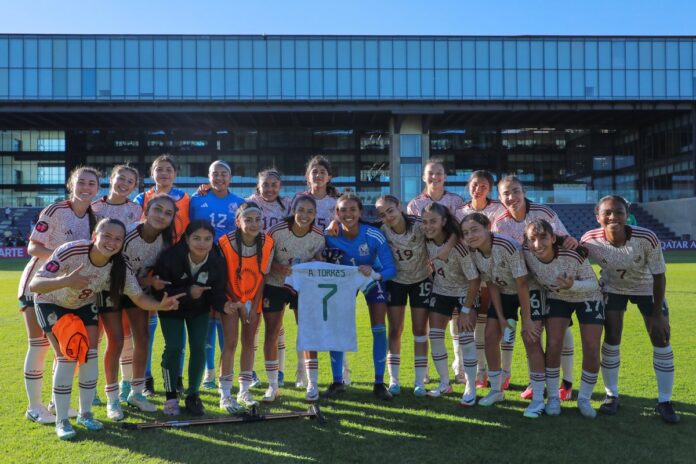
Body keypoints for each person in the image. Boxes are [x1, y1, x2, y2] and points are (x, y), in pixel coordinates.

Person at [29, 218, 183, 440]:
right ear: (94, 236)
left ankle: (86, 414)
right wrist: (66, 280)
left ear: (122, 243)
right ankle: (62, 420)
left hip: (83, 305)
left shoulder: (119, 266)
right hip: (51, 302)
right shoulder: (71, 251)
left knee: (90, 356)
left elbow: (138, 297)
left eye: (117, 239)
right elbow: (36, 285)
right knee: (67, 357)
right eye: (107, 236)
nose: (111, 242)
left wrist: (160, 305)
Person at [581, 195, 679, 423]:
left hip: (647, 288)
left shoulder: (646, 237)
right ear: (598, 217)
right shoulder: (589, 240)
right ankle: (611, 395)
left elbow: (659, 276)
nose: (613, 216)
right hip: (613, 289)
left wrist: (657, 314)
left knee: (661, 338)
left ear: (627, 215)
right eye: (607, 212)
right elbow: (576, 261)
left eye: (618, 212)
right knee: (612, 337)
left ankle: (665, 400)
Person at [18, 166, 100, 425]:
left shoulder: (93, 217)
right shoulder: (55, 210)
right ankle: (34, 406)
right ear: (71, 185)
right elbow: (33, 246)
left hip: (68, 292)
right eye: (81, 182)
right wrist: (61, 256)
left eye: (92, 184)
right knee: (38, 345)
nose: (86, 188)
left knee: (66, 350)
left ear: (97, 189)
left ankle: (55, 403)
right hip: (37, 284)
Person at [493, 175, 576, 400]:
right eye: (506, 193)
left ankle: (566, 384)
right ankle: (535, 381)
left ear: (524, 191)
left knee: (561, 332)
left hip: (553, 281)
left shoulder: (544, 213)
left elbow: (565, 239)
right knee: (533, 335)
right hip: (525, 285)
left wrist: (570, 241)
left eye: (515, 191)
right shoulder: (500, 223)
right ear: (499, 198)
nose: (512, 197)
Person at [460, 212, 545, 418]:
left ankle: (539, 398)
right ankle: (497, 390)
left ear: (488, 227)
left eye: (474, 230)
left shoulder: (506, 245)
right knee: (490, 336)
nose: (470, 236)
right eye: (465, 233)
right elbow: (491, 284)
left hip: (528, 291)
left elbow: (523, 282)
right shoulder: (474, 252)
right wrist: (499, 316)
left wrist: (526, 319)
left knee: (530, 338)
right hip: (504, 292)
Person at [523, 219, 604, 418]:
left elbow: (593, 284)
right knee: (553, 343)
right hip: (558, 297)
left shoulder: (571, 255)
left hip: (587, 296)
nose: (537, 244)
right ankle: (553, 398)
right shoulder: (526, 254)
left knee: (592, 347)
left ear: (552, 238)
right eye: (532, 239)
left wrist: (572, 285)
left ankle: (584, 399)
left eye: (543, 237)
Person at [107, 194, 177, 418]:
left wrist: (152, 282)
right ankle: (112, 399)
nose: (162, 216)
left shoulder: (165, 240)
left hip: (136, 290)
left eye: (168, 213)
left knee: (143, 338)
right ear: (146, 210)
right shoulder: (127, 234)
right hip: (110, 288)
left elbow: (147, 273)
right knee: (117, 341)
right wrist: (147, 282)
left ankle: (136, 393)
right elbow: (113, 270)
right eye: (158, 209)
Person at [323, 193, 397, 401]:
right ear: (336, 213)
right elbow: (318, 258)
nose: (348, 214)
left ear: (360, 212)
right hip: (344, 282)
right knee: (338, 327)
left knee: (379, 328)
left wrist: (375, 273)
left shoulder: (373, 234)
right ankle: (338, 381)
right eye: (343, 210)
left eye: (352, 210)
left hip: (370, 279)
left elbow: (391, 268)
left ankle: (379, 383)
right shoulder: (329, 235)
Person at [153, 220, 228, 416]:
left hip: (199, 310)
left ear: (213, 240)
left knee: (199, 346)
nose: (201, 243)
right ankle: (170, 396)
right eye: (196, 238)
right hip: (171, 307)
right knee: (175, 347)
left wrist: (225, 305)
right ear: (186, 239)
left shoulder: (217, 260)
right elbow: (161, 288)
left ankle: (193, 395)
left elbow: (217, 292)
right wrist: (188, 291)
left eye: (207, 239)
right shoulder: (170, 257)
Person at [135, 154, 190, 396]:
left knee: (177, 323)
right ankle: (145, 379)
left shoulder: (188, 198)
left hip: (177, 267)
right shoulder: (141, 198)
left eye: (169, 169)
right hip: (147, 265)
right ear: (152, 173)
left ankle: (177, 377)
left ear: (175, 174)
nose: (164, 173)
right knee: (147, 327)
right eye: (159, 169)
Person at [407, 158, 466, 383]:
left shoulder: (456, 200)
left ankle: (459, 366)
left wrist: (445, 249)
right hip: (427, 267)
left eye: (439, 173)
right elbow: (417, 236)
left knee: (457, 320)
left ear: (445, 176)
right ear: (424, 177)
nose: (435, 177)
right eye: (430, 173)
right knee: (434, 320)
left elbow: (458, 231)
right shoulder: (414, 204)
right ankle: (430, 369)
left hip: (454, 265)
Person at [190, 160, 245, 390]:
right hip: (202, 264)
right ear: (208, 176)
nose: (219, 178)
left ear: (230, 178)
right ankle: (208, 372)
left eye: (223, 174)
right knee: (207, 316)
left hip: (230, 266)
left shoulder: (240, 203)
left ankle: (227, 370)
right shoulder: (196, 200)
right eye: (215, 174)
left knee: (225, 313)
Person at [91, 164, 142, 410]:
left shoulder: (136, 209)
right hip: (96, 278)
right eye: (121, 178)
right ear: (111, 179)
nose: (124, 183)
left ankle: (124, 385)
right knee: (95, 337)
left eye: (130, 181)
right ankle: (90, 388)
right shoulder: (95, 207)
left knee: (123, 337)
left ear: (135, 186)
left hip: (125, 278)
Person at [266, 195, 325, 401]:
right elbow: (264, 260)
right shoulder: (276, 231)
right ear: (293, 210)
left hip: (302, 286)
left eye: (310, 211)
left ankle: (312, 382)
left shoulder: (318, 236)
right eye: (301, 210)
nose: (305, 215)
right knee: (272, 332)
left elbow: (319, 260)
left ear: (315, 214)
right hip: (275, 284)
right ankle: (273, 384)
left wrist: (318, 262)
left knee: (307, 331)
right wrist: (277, 267)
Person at [217, 202, 275, 411]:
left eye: (257, 219)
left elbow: (263, 277)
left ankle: (244, 390)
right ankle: (224, 393)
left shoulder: (268, 242)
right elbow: (222, 278)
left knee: (249, 343)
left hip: (253, 299)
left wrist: (254, 303)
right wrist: (239, 304)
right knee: (230, 343)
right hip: (231, 299)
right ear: (238, 221)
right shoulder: (224, 242)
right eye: (248, 219)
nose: (253, 224)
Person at [421, 203, 480, 405]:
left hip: (465, 292)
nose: (428, 226)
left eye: (433, 221)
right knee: (435, 336)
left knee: (465, 339)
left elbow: (474, 280)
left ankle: (470, 387)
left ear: (444, 221)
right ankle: (445, 383)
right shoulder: (426, 241)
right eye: (425, 221)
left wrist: (465, 310)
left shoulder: (459, 246)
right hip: (441, 290)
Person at [374, 195, 432, 397]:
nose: (388, 216)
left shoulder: (418, 225)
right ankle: (394, 380)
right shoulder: (381, 231)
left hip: (421, 279)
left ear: (399, 207)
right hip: (396, 282)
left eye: (390, 210)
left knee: (420, 330)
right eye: (383, 214)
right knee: (395, 330)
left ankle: (419, 380)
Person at [290, 155, 340, 383]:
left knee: (334, 319)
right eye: (314, 171)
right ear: (307, 176)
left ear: (329, 176)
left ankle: (342, 371)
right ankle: (303, 370)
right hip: (305, 265)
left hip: (332, 264)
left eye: (322, 171)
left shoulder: (336, 202)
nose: (318, 175)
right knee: (304, 320)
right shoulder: (298, 200)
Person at [455, 170, 506, 388]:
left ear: (490, 188)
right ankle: (461, 367)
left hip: (490, 271)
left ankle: (485, 370)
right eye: (475, 184)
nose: (478, 189)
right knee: (460, 321)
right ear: (469, 186)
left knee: (484, 323)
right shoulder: (459, 211)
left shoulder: (499, 209)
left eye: (483, 185)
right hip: (465, 273)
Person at [246, 169, 293, 389]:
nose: (270, 188)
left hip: (278, 269)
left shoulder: (288, 204)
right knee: (253, 321)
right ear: (258, 186)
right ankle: (252, 371)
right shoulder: (249, 203)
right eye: (266, 184)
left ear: (280, 186)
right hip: (253, 268)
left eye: (274, 184)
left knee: (276, 324)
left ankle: (280, 371)